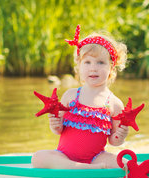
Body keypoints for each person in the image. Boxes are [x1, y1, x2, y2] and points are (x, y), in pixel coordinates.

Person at [31, 25, 129, 169]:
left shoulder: (114, 104)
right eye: (87, 62)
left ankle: (80, 167)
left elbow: (114, 141)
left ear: (111, 67)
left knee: (125, 163)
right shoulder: (70, 96)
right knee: (37, 158)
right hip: (64, 155)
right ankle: (76, 167)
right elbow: (59, 130)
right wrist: (55, 125)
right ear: (79, 66)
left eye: (100, 62)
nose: (93, 68)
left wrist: (121, 135)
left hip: (96, 158)